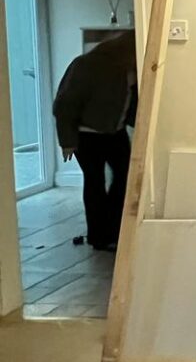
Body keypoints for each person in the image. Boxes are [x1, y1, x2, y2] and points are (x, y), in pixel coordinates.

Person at [52, 31, 137, 252]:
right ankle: (99, 236)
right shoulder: (86, 66)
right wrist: (67, 141)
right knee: (95, 182)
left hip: (113, 131)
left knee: (124, 176)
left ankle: (114, 228)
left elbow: (129, 102)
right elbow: (64, 105)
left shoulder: (128, 69)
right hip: (87, 134)